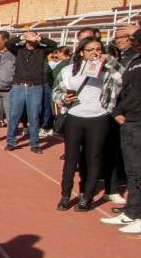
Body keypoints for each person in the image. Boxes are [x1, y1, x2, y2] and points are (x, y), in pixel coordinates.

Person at [53, 36, 124, 211]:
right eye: (90, 49)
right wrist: (64, 97)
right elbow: (56, 91)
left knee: (93, 157)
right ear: (81, 52)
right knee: (71, 158)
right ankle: (65, 195)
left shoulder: (107, 70)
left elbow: (123, 77)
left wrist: (110, 61)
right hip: (74, 116)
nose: (95, 53)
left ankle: (87, 196)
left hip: (98, 117)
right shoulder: (69, 70)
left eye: (98, 49)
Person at [103, 28, 141, 233]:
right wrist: (117, 110)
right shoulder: (134, 62)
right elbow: (125, 89)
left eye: (134, 38)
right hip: (128, 121)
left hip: (138, 123)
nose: (132, 41)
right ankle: (132, 211)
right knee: (133, 171)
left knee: (139, 171)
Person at [5, 30, 56, 153]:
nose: (31, 40)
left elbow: (54, 45)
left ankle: (35, 144)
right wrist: (22, 36)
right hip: (18, 86)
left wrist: (39, 39)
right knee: (14, 115)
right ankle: (11, 141)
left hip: (35, 87)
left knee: (34, 117)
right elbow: (9, 44)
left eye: (33, 36)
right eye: (29, 37)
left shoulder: (42, 51)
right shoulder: (19, 50)